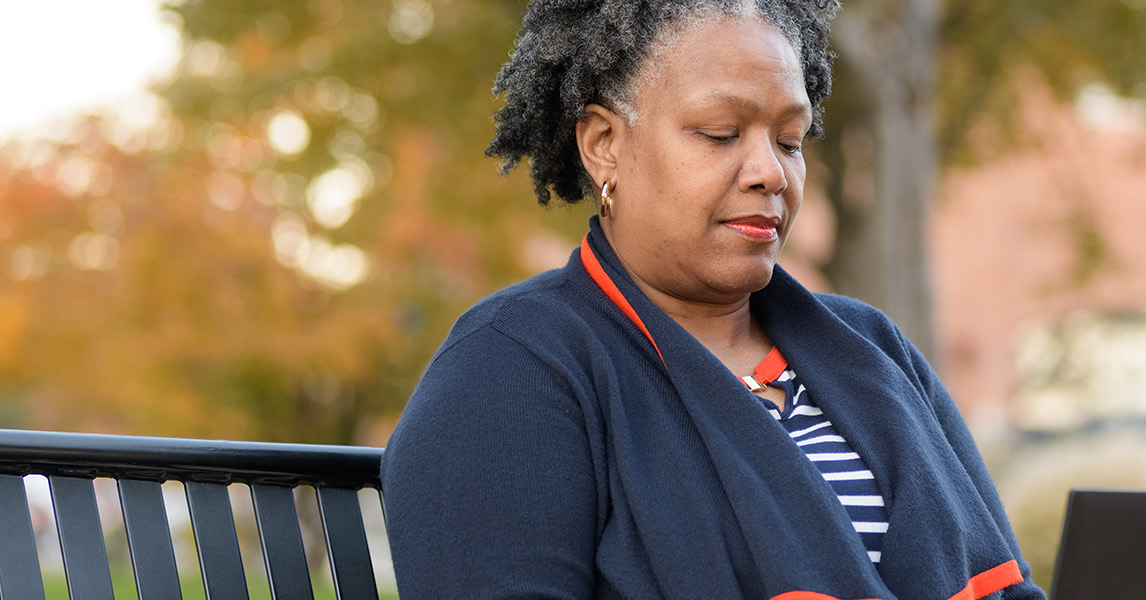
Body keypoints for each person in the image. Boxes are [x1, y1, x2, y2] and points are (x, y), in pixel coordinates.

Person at [380, 1, 1045, 598]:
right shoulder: (511, 366)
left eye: (790, 140)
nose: (770, 173)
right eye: (720, 132)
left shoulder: (873, 348)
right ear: (603, 145)